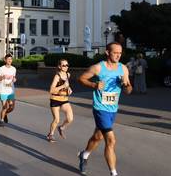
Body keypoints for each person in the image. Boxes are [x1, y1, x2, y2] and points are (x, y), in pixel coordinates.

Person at [78, 42, 132, 176]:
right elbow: (81, 78)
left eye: (120, 53)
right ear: (107, 52)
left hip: (113, 109)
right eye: (115, 52)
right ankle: (113, 173)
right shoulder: (98, 68)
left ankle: (84, 155)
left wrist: (126, 85)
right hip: (100, 108)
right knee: (111, 140)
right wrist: (93, 85)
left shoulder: (123, 69)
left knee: (97, 137)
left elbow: (129, 90)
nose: (118, 55)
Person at [47, 59, 73, 142]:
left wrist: (69, 88)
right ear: (59, 66)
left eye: (67, 65)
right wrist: (63, 86)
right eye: (64, 65)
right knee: (56, 119)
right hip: (55, 99)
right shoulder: (57, 76)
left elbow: (67, 84)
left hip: (64, 99)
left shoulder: (68, 74)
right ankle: (50, 134)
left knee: (70, 118)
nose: (66, 67)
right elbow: (51, 90)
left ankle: (61, 127)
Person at [0, 54, 17, 127]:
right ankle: (1, 121)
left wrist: (14, 79)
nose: (10, 60)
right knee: (5, 107)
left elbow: (14, 78)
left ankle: (5, 114)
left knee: (12, 107)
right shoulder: (1, 69)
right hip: (3, 90)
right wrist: (2, 77)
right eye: (8, 59)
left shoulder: (14, 69)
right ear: (5, 60)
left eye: (11, 59)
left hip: (11, 90)